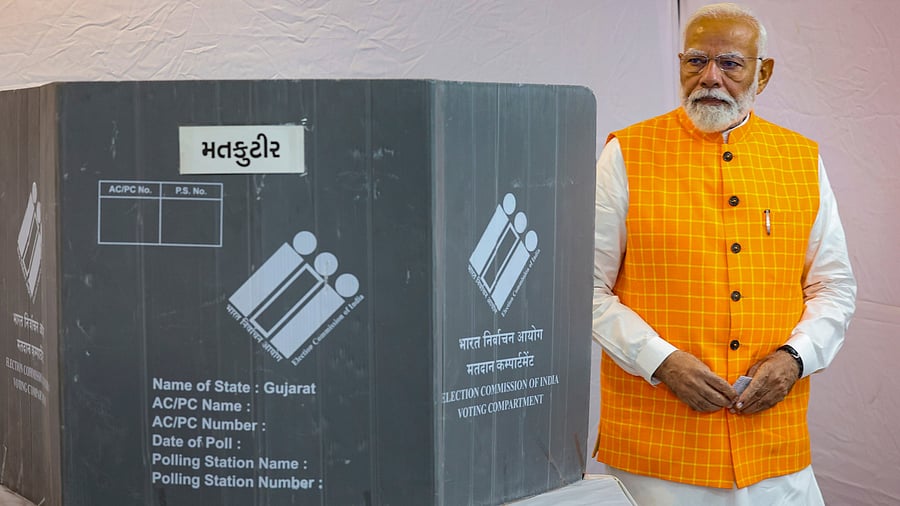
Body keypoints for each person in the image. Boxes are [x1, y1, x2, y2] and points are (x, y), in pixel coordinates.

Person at [591, 3, 856, 504]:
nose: (709, 78)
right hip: (657, 451)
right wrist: (661, 361)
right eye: (695, 61)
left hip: (772, 448)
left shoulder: (801, 159)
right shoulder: (626, 153)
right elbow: (585, 288)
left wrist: (796, 359)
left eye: (730, 63)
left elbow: (833, 286)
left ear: (764, 72)